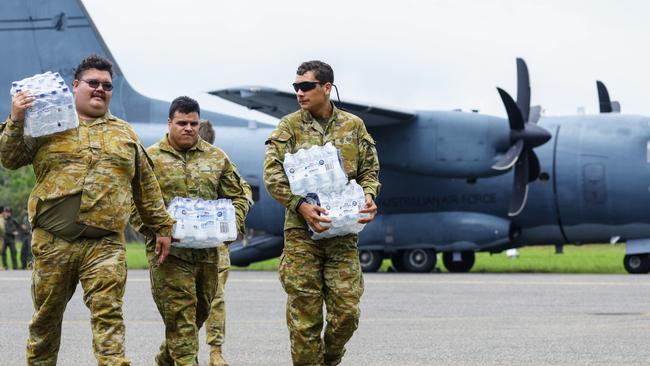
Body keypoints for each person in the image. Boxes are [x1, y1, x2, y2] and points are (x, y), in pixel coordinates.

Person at [0, 54, 175, 365]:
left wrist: (161, 226)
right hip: (53, 243)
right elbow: (9, 159)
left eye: (107, 85)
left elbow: (146, 186)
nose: (100, 89)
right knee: (45, 321)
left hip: (104, 245)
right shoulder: (47, 122)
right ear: (76, 85)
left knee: (109, 320)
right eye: (93, 83)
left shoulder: (125, 133)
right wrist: (15, 119)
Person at [263, 60, 380, 365]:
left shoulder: (353, 126)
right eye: (296, 87)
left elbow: (370, 169)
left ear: (326, 88)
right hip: (302, 235)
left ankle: (329, 358)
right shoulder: (289, 126)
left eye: (306, 86)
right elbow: (272, 174)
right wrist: (300, 204)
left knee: (347, 313)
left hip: (342, 233)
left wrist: (369, 195)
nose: (299, 93)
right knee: (305, 319)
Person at [134, 98, 251, 366]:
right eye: (181, 123)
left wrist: (233, 223)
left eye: (193, 123)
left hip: (208, 255)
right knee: (181, 320)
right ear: (169, 123)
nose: (188, 128)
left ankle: (166, 357)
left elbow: (240, 194)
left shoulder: (216, 157)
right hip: (169, 255)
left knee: (199, 313)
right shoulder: (150, 158)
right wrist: (158, 229)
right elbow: (132, 203)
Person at [198, 119, 242, 366]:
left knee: (214, 297)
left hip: (214, 245)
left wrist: (233, 223)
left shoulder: (220, 161)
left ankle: (215, 351)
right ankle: (176, 351)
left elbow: (240, 194)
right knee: (196, 301)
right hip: (186, 246)